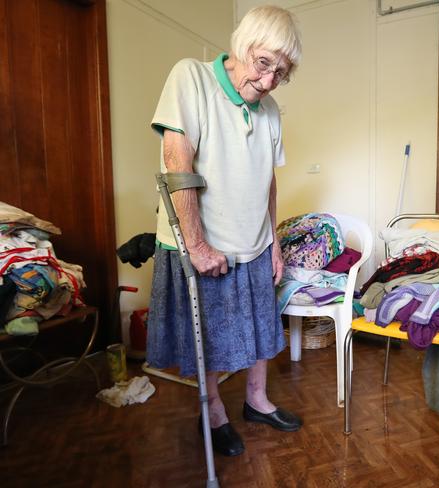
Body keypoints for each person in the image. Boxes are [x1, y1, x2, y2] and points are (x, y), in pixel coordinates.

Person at [146, 5, 302, 457]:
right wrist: (195, 245)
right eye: (264, 63)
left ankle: (256, 401)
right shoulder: (190, 77)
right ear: (243, 46)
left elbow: (268, 181)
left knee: (260, 331)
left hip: (254, 244)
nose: (271, 80)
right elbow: (178, 161)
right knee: (210, 338)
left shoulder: (270, 110)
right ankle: (212, 412)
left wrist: (272, 243)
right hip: (205, 244)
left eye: (283, 72)